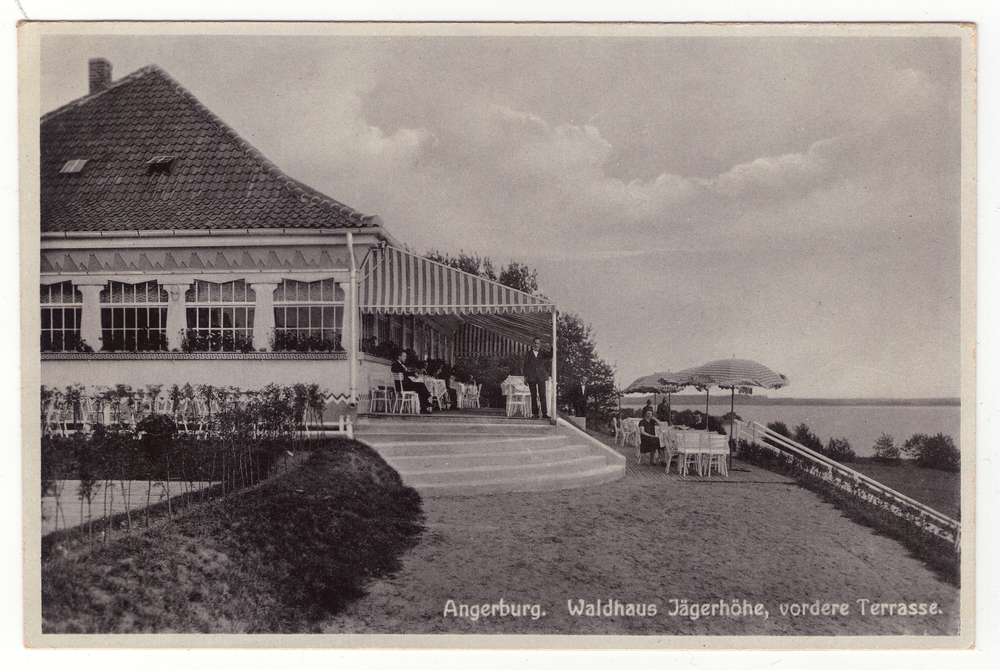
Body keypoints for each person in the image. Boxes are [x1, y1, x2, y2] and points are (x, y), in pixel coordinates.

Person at [522, 336, 551, 419]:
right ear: (532, 344)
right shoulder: (528, 353)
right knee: (533, 395)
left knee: (543, 395)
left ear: (540, 344)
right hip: (531, 377)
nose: (536, 345)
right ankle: (535, 413)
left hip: (541, 376)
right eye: (535, 343)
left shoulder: (543, 353)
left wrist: (552, 346)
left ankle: (544, 413)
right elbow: (525, 366)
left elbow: (550, 356)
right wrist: (525, 377)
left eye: (538, 343)